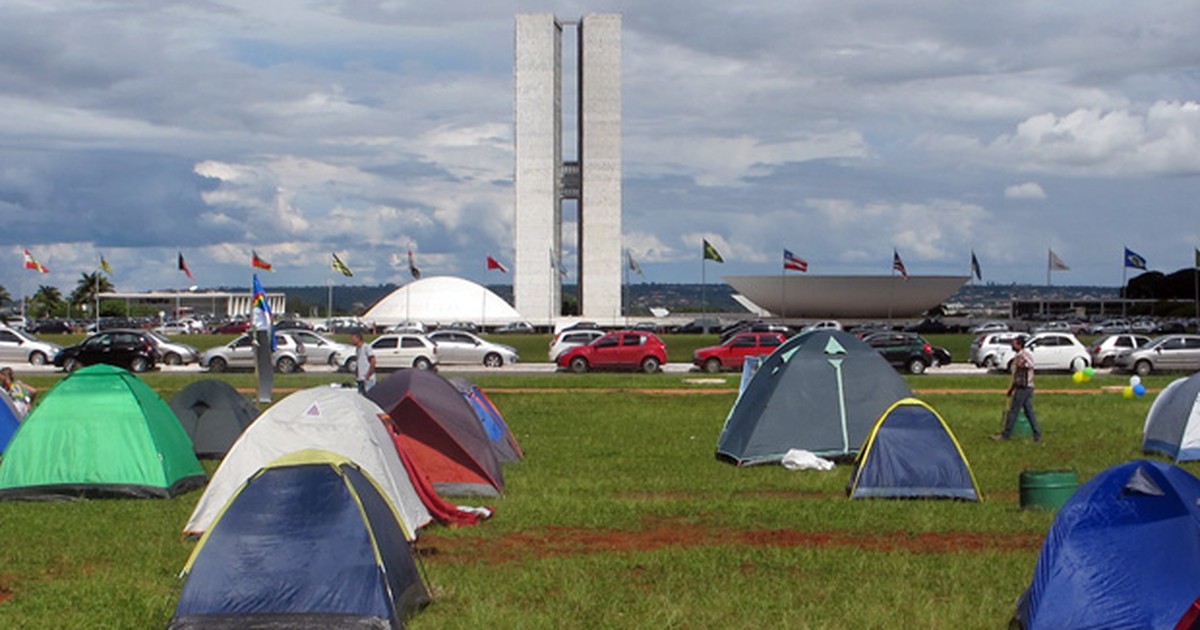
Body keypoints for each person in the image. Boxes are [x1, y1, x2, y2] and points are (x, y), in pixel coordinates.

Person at [994, 336, 1042, 442]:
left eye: (1014, 343)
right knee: (1029, 412)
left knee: (1013, 411)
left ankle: (1005, 435)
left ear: (1019, 344)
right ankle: (1037, 434)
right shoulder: (1018, 356)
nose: (1012, 345)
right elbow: (1016, 375)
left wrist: (1022, 364)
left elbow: (1030, 365)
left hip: (1024, 387)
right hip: (1022, 387)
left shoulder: (1024, 355)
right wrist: (1011, 389)